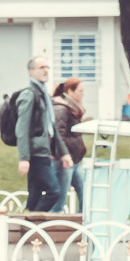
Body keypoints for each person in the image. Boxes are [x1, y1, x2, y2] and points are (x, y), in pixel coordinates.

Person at [15, 56, 71, 213]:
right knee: (54, 191)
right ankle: (34, 226)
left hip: (43, 151)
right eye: (41, 67)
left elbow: (51, 128)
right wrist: (24, 158)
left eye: (47, 67)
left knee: (34, 196)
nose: (46, 70)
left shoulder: (44, 95)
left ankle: (27, 231)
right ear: (31, 72)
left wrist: (64, 153)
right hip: (36, 153)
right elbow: (22, 128)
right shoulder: (29, 95)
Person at [52, 78, 88, 213]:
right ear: (70, 91)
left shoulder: (74, 108)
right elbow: (58, 135)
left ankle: (81, 225)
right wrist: (64, 155)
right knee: (60, 199)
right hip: (65, 161)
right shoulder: (61, 109)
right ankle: (52, 227)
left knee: (85, 194)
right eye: (80, 91)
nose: (82, 94)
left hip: (75, 160)